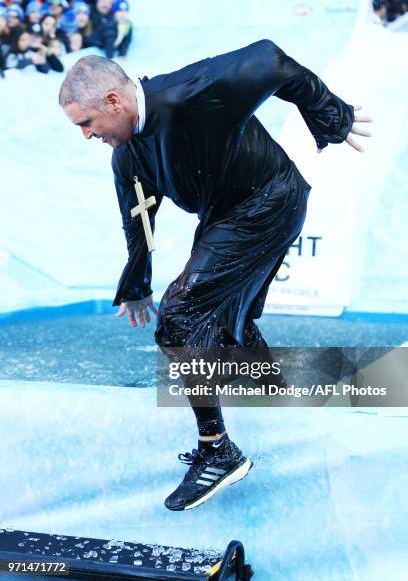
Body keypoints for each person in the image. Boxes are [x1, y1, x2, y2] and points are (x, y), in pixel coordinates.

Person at [59, 40, 371, 511]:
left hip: (270, 199)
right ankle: (276, 396)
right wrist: (137, 284)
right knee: (227, 326)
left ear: (113, 102)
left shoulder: (191, 92)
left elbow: (270, 59)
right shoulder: (127, 155)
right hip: (226, 216)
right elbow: (138, 221)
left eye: (86, 123)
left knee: (181, 314)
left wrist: (329, 114)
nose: (85, 134)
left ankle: (217, 450)